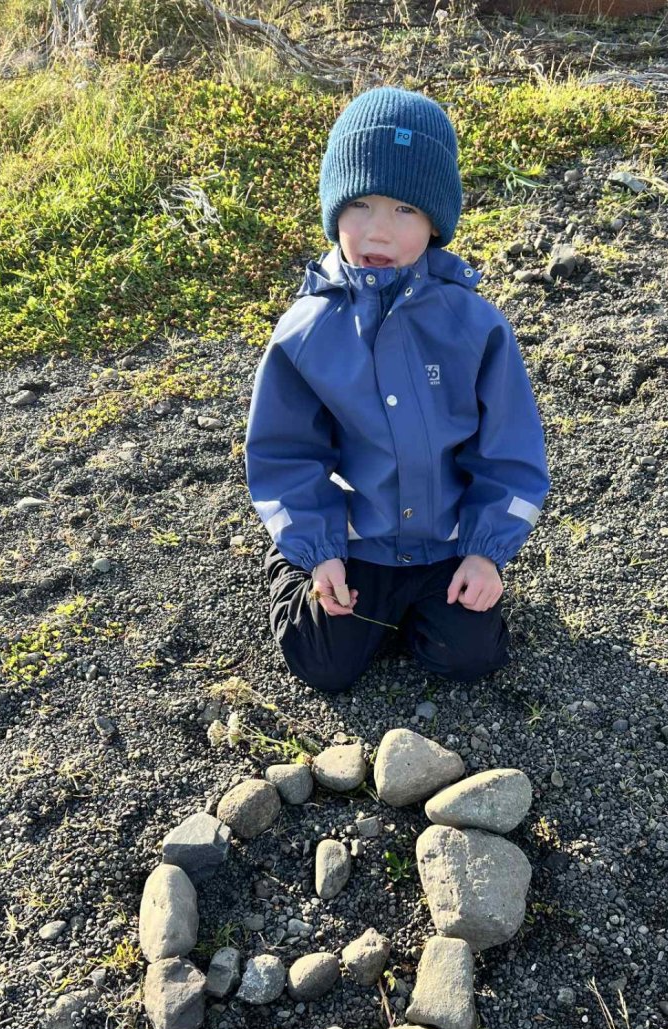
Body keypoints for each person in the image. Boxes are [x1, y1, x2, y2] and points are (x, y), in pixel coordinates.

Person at [245, 86, 549, 694]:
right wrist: (319, 548)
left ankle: (429, 605)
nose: (378, 231)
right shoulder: (305, 332)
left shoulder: (475, 325)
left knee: (469, 660)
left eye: (405, 209)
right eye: (359, 204)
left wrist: (486, 552)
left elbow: (510, 453)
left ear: (437, 220)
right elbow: (284, 455)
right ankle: (292, 566)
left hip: (445, 544)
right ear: (334, 209)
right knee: (324, 665)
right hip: (356, 544)